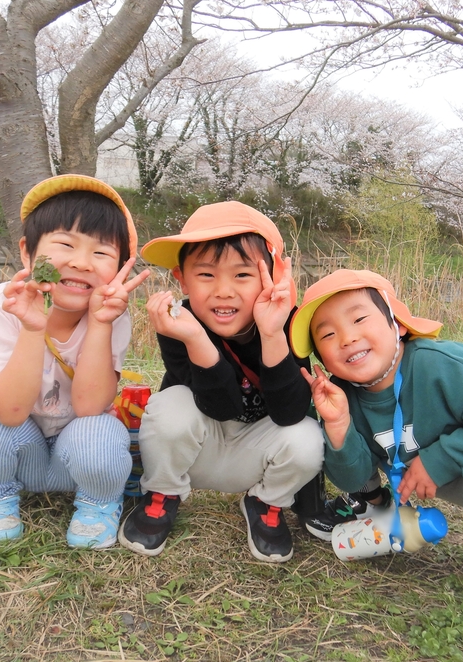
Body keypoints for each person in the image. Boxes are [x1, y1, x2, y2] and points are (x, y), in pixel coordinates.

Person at [290, 269, 463, 604]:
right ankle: (372, 505)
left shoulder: (445, 365)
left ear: (397, 324)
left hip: (462, 470)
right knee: (339, 436)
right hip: (400, 470)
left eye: (360, 319)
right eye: (327, 336)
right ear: (321, 359)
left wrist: (439, 460)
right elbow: (350, 474)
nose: (347, 338)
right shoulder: (339, 394)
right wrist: (338, 423)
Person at [118, 202, 324, 563]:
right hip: (197, 447)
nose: (224, 291)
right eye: (206, 275)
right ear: (181, 279)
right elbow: (220, 407)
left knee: (307, 436)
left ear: (271, 277)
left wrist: (273, 334)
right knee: (170, 407)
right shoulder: (178, 323)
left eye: (242, 275)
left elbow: (290, 412)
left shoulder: (289, 322)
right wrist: (196, 339)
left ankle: (265, 502)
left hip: (257, 453)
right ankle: (162, 493)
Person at [0, 175, 150, 549]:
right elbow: (9, 412)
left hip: (74, 455)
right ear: (28, 252)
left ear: (120, 267)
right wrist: (31, 328)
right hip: (16, 447)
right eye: (65, 244)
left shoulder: (112, 314)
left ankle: (97, 503)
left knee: (104, 432)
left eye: (102, 253)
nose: (81, 262)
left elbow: (91, 407)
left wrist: (101, 325)